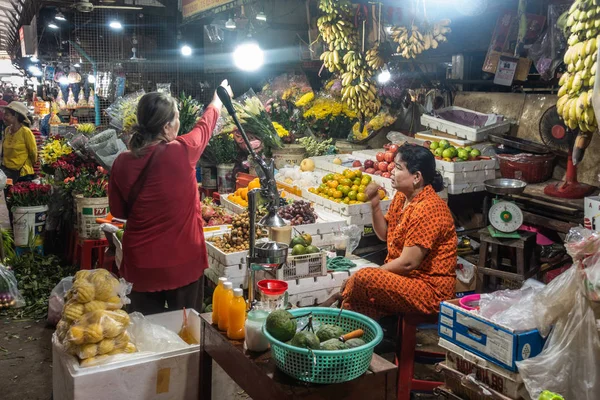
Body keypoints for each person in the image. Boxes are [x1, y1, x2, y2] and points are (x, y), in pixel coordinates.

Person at [109, 80, 232, 315]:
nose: (178, 125)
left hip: (141, 266)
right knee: (187, 333)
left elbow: (119, 212)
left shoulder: (122, 161)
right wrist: (219, 97)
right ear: (166, 127)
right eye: (176, 119)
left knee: (146, 335)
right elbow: (205, 125)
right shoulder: (182, 151)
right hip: (183, 264)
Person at [324, 144, 457, 320]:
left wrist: (366, 277)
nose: (392, 172)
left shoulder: (429, 208)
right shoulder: (402, 197)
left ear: (416, 177)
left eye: (398, 168)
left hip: (429, 290)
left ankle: (330, 308)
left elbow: (408, 263)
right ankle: (344, 336)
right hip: (405, 280)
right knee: (357, 299)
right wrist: (374, 203)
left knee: (364, 278)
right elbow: (385, 235)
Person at [1, 101, 38, 183]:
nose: (4, 117)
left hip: (22, 174)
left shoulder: (26, 132)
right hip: (7, 173)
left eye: (7, 114)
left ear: (16, 116)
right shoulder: (7, 130)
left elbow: (33, 153)